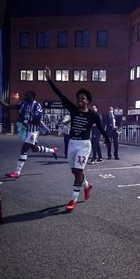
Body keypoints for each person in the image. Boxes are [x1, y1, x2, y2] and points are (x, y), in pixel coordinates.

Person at [44, 66, 110, 211]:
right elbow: (60, 95)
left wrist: (107, 139)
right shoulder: (73, 109)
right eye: (78, 98)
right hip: (72, 144)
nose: (80, 100)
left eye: (83, 98)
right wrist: (50, 80)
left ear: (88, 101)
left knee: (78, 172)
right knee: (75, 171)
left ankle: (73, 200)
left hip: (84, 146)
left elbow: (100, 127)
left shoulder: (93, 115)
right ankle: (87, 185)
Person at [0, 90, 58, 178]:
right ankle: (53, 151)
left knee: (24, 149)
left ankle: (17, 172)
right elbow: (8, 106)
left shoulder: (36, 105)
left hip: (33, 131)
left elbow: (37, 120)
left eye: (27, 94)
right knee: (34, 149)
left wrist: (24, 119)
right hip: (28, 130)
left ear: (32, 96)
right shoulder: (23, 103)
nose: (25, 95)